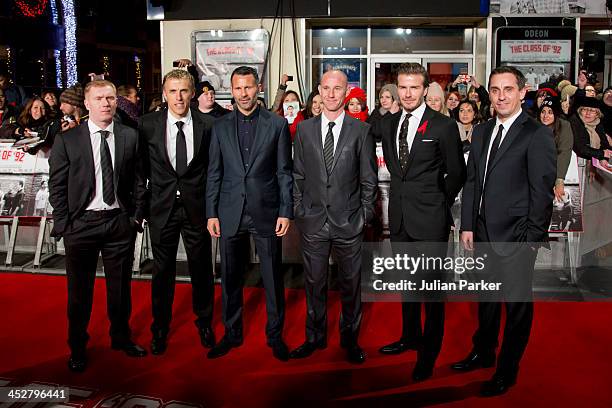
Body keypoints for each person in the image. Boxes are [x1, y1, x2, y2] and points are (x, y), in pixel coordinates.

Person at [452, 66, 556, 397]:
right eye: (495, 89)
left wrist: (531, 239)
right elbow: (472, 182)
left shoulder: (536, 133)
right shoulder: (481, 132)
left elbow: (541, 192)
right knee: (486, 299)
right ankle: (483, 352)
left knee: (516, 307)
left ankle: (506, 370)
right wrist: (467, 224)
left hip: (517, 237)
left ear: (522, 93)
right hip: (481, 232)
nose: (501, 96)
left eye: (508, 89)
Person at [48, 79, 148, 373]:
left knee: (120, 289)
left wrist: (135, 217)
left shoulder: (130, 137)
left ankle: (121, 337)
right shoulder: (68, 140)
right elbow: (57, 186)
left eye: (111, 98)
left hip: (119, 223)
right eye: (100, 98)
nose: (106, 103)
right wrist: (66, 224)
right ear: (87, 104)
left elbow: (139, 181)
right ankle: (77, 346)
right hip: (81, 226)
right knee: (80, 292)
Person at [378, 63, 466, 381]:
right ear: (396, 89)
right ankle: (410, 337)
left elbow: (457, 173)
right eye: (403, 87)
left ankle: (429, 353)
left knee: (431, 291)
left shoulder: (442, 125)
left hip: (430, 221)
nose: (408, 93)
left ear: (426, 89)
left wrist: (439, 202)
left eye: (415, 87)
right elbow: (394, 168)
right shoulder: (389, 125)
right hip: (400, 218)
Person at [206, 66, 293, 361]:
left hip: (266, 211)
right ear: (231, 90)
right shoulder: (219, 127)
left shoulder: (277, 125)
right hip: (229, 211)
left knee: (271, 277)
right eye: (238, 88)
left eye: (249, 87)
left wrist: (285, 211)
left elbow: (284, 172)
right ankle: (232, 333)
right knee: (230, 278)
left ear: (259, 87)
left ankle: (275, 335)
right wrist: (211, 213)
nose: (243, 93)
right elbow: (214, 174)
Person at [290, 69, 377, 364]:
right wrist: (300, 211)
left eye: (337, 88)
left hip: (349, 222)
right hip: (313, 221)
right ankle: (314, 337)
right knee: (314, 283)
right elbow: (298, 176)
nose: (330, 94)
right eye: (325, 88)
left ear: (346, 92)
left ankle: (350, 340)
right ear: (318, 90)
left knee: (351, 286)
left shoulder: (361, 131)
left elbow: (369, 180)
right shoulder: (304, 130)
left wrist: (364, 215)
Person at [138, 69, 216, 355]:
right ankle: (160, 328)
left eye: (184, 90)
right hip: (162, 210)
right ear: (164, 94)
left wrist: (213, 209)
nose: (179, 97)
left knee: (201, 269)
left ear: (192, 93)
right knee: (162, 272)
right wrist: (144, 206)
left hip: (197, 209)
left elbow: (211, 169)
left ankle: (204, 322)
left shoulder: (208, 125)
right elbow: (141, 170)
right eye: (173, 91)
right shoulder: (146, 125)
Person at [537, 96, 573, 200]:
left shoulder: (564, 126)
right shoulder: (534, 126)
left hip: (554, 172)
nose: (545, 116)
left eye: (550, 112)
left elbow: (564, 152)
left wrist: (559, 180)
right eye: (543, 111)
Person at [569, 96, 611, 165]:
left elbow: (605, 145)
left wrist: (603, 159)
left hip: (592, 163)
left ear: (597, 114)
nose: (588, 113)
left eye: (592, 110)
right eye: (585, 109)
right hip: (574, 163)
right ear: (580, 111)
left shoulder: (598, 124)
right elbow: (580, 148)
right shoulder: (574, 122)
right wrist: (602, 154)